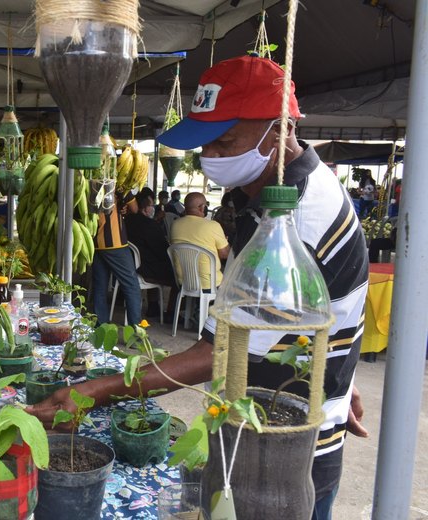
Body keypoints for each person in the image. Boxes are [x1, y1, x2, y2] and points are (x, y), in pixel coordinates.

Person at [26, 55, 369, 520]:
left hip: (284, 450)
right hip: (265, 415)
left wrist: (97, 390)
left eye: (226, 141)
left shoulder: (298, 217)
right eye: (206, 144)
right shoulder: (271, 193)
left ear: (279, 129)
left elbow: (220, 353)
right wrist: (342, 376)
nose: (212, 157)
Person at [125, 189, 176, 318]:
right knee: (178, 275)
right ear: (145, 208)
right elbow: (162, 250)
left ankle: (153, 306)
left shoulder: (127, 221)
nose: (153, 208)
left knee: (156, 262)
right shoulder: (149, 225)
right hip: (145, 269)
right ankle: (172, 313)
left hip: (130, 266)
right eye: (151, 205)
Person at [92, 188, 140, 326]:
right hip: (115, 244)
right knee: (132, 287)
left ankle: (101, 327)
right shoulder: (118, 184)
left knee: (100, 287)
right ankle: (136, 334)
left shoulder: (88, 182)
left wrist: (121, 206)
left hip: (95, 242)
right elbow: (135, 208)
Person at [169, 192, 229, 289]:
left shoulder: (174, 225)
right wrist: (224, 242)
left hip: (183, 282)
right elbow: (225, 255)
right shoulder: (213, 226)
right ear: (202, 207)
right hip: (210, 283)